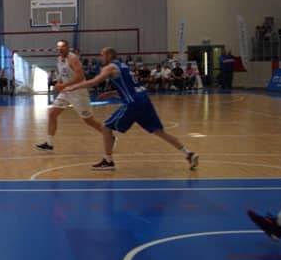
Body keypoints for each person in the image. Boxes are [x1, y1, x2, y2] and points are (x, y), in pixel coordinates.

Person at [62, 47, 198, 171]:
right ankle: (188, 153)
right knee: (159, 131)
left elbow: (95, 81)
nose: (101, 58)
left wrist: (73, 87)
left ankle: (108, 161)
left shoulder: (110, 67)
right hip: (143, 98)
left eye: (102, 55)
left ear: (109, 55)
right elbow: (131, 87)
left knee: (106, 127)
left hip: (133, 102)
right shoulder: (124, 66)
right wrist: (111, 93)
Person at [34, 39, 104, 152]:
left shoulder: (73, 59)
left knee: (89, 121)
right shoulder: (59, 59)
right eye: (58, 47)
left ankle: (109, 135)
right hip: (66, 92)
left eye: (62, 47)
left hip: (78, 92)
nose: (60, 49)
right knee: (52, 114)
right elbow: (62, 75)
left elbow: (80, 78)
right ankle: (49, 143)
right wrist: (59, 83)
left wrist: (63, 85)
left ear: (67, 47)